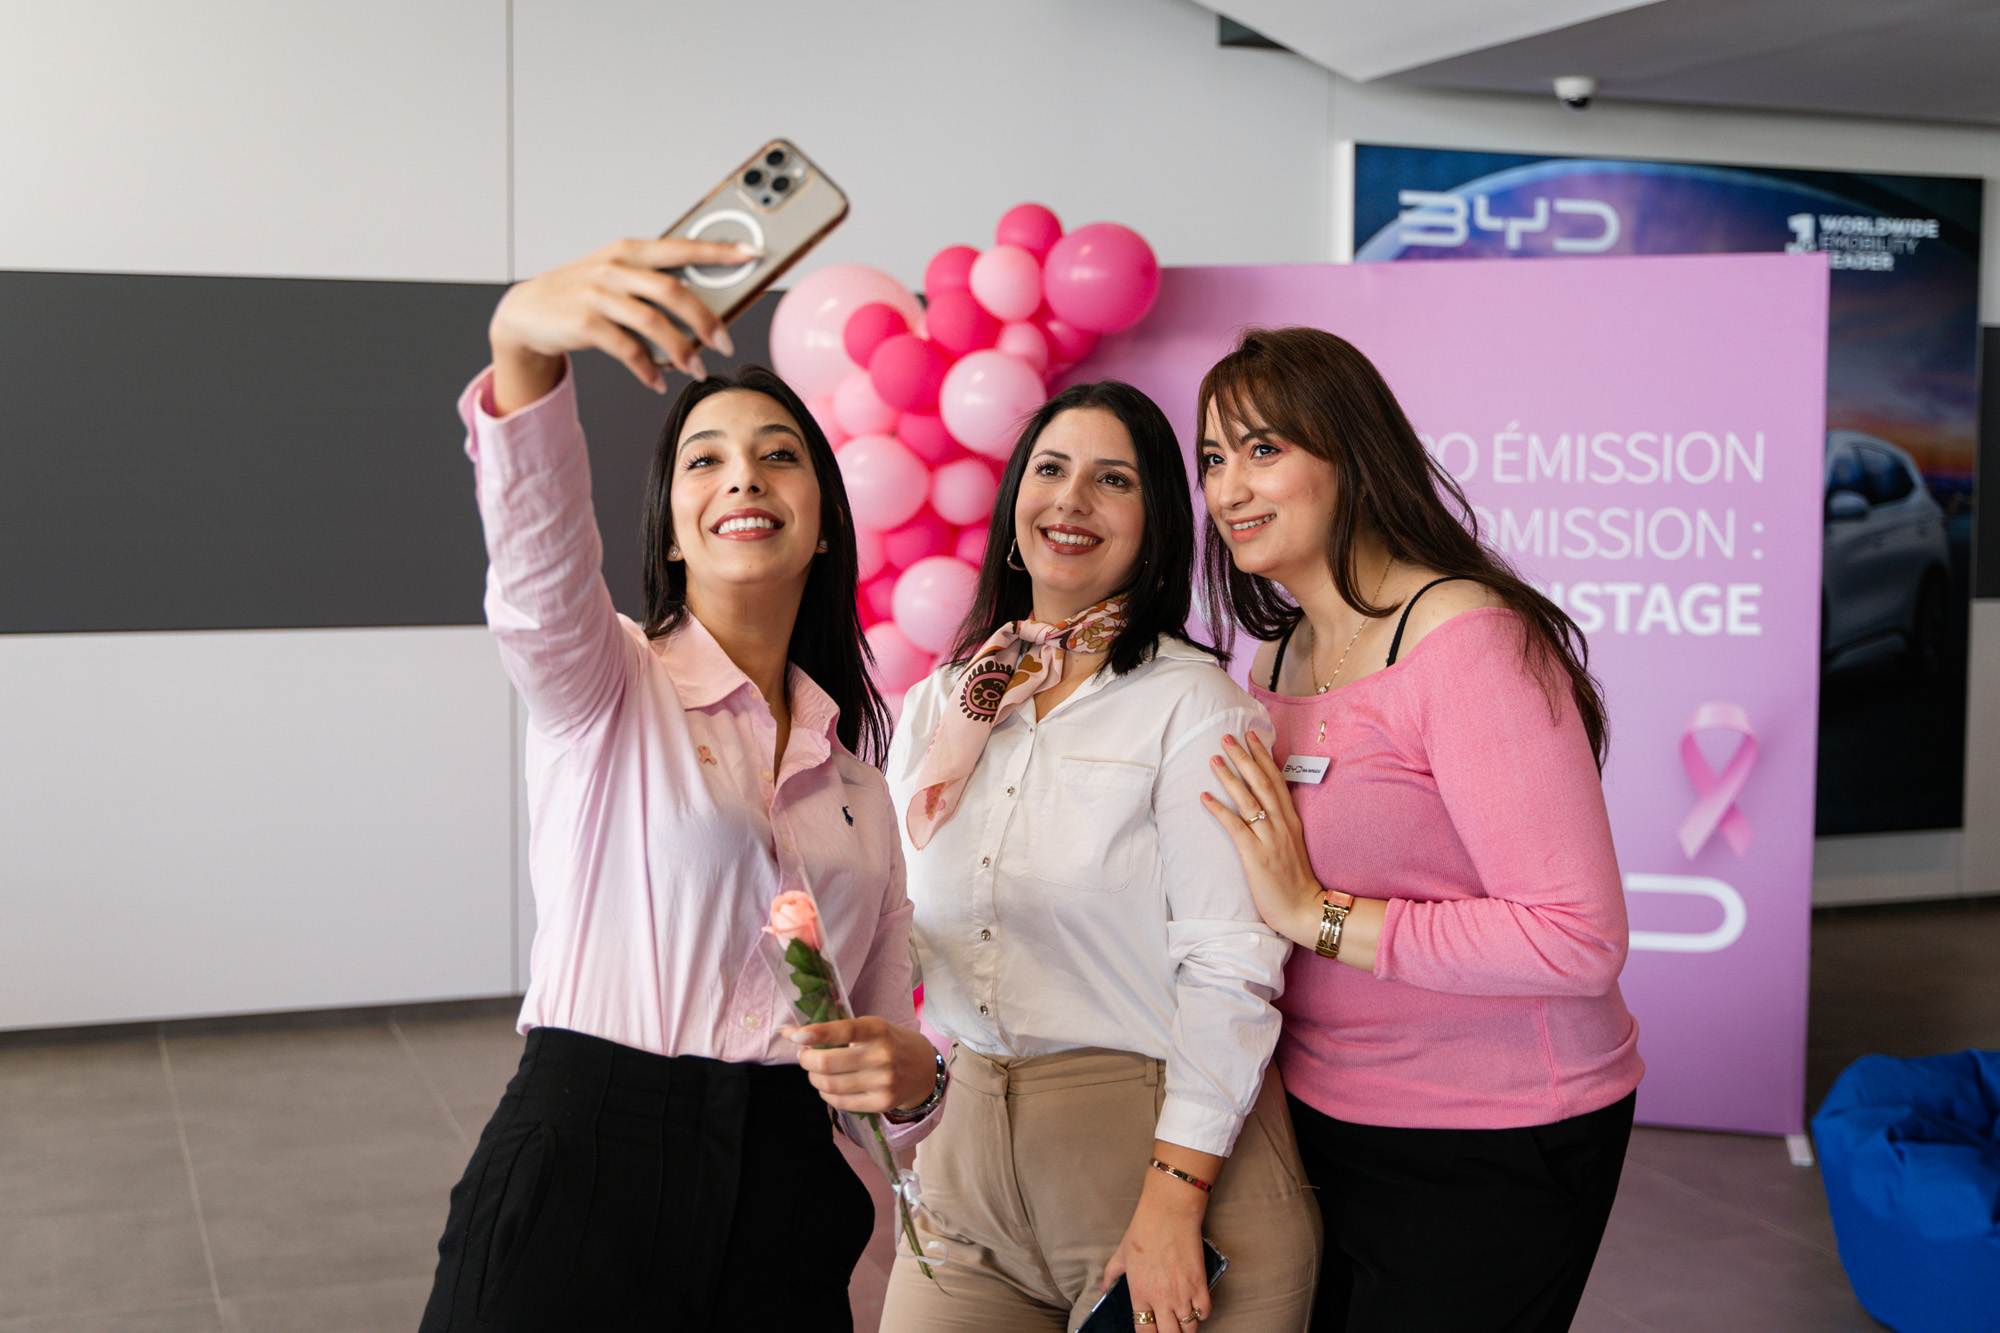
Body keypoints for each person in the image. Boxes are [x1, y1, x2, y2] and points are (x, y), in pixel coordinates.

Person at [418, 237, 948, 1332]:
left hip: (788, 1193)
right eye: (704, 460)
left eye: (778, 455)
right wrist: (523, 349)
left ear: (824, 521)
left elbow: (886, 1060)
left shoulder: (862, 790)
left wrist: (917, 1082)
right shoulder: (605, 683)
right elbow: (537, 566)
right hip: (586, 1166)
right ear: (668, 524)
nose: (743, 475)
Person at [1194, 326, 1644, 1333]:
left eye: (1262, 448)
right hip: (1317, 1116)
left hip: (1491, 1133)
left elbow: (1576, 936)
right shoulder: (1273, 662)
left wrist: (1315, 914)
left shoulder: (1465, 639)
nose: (1228, 487)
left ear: (1351, 453)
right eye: (1213, 458)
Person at [880, 381, 1321, 1333]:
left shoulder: (1195, 707)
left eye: (1112, 479)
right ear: (1015, 502)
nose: (1071, 499)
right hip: (969, 1165)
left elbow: (1230, 969)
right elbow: (898, 924)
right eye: (1050, 469)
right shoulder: (945, 703)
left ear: (1155, 523)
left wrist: (1173, 1195)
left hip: (1167, 1162)